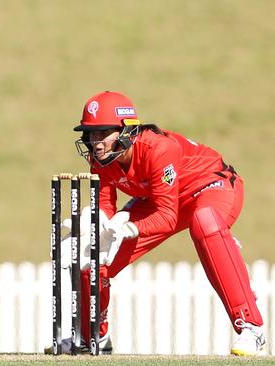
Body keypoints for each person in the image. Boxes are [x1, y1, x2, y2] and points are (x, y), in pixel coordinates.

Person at [72, 91, 266, 356]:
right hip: (156, 198)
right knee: (93, 254)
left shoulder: (158, 149)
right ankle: (93, 336)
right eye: (90, 134)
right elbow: (107, 203)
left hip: (209, 186)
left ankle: (251, 328)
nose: (95, 143)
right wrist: (98, 224)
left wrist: (128, 228)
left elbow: (167, 217)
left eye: (102, 133)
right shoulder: (102, 158)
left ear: (126, 130)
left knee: (204, 222)